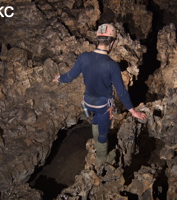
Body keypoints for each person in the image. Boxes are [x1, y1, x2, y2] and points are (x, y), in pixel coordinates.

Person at [53, 23, 147, 165]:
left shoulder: (84, 57)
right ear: (112, 42)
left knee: (96, 120)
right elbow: (121, 91)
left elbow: (70, 76)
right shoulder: (111, 65)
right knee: (103, 132)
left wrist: (60, 79)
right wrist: (132, 111)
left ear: (98, 39)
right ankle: (102, 158)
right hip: (103, 106)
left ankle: (96, 142)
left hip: (88, 103)